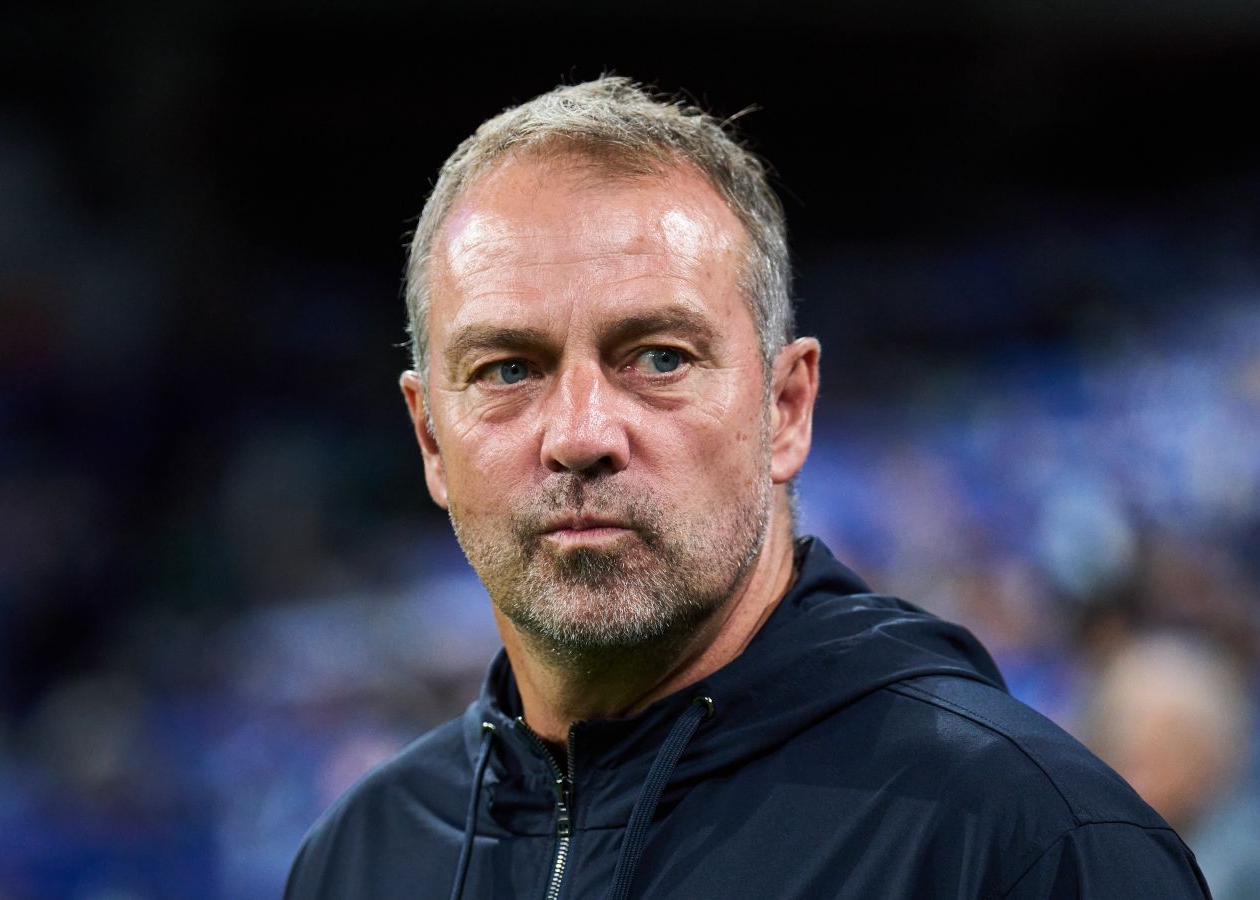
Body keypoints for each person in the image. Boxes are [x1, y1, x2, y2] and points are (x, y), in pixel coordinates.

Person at [285, 77, 1211, 899]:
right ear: (430, 439)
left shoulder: (1023, 842)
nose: (580, 435)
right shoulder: (361, 860)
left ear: (787, 408)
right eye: (507, 370)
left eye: (658, 357)